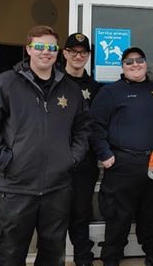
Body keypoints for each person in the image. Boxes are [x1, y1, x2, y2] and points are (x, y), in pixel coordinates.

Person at [0, 25, 91, 265]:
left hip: (57, 188)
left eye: (50, 47)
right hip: (17, 188)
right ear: (28, 49)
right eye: (39, 46)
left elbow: (83, 128)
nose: (45, 52)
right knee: (11, 253)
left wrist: (72, 157)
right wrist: (4, 159)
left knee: (52, 253)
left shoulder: (70, 89)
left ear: (57, 52)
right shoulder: (6, 84)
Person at [90, 47, 153, 266]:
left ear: (146, 63)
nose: (135, 64)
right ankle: (111, 259)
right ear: (122, 66)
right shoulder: (110, 93)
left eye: (140, 60)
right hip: (122, 165)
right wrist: (104, 154)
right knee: (118, 218)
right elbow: (94, 126)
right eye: (129, 62)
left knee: (151, 215)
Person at [63, 33, 101, 266]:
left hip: (85, 162)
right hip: (55, 161)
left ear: (88, 56)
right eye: (73, 51)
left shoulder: (96, 88)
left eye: (83, 52)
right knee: (52, 215)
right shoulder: (54, 82)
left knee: (81, 213)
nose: (78, 56)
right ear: (65, 53)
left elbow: (98, 126)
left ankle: (82, 258)